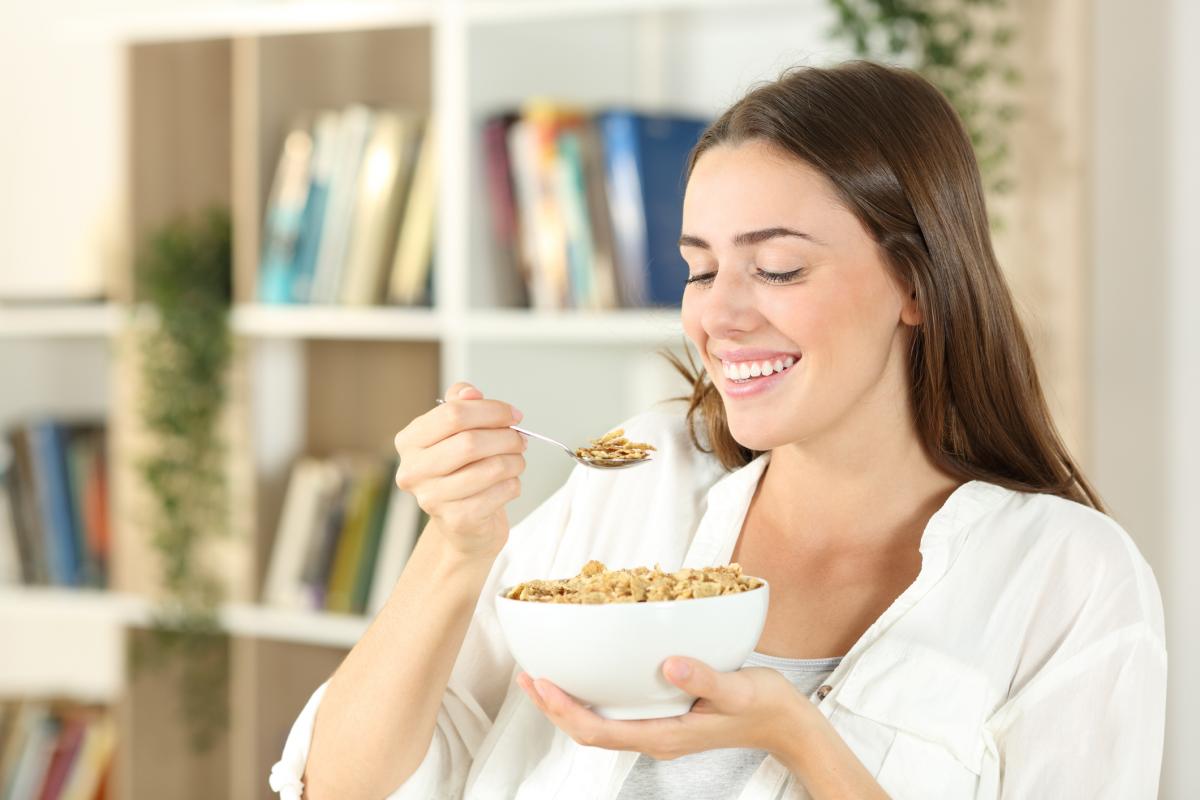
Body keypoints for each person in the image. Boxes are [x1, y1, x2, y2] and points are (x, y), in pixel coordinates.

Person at [269, 61, 1166, 799]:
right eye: (700, 270)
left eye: (777, 269)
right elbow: (337, 787)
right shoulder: (641, 475)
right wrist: (455, 550)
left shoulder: (1066, 578)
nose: (718, 317)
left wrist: (801, 740)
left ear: (917, 286)